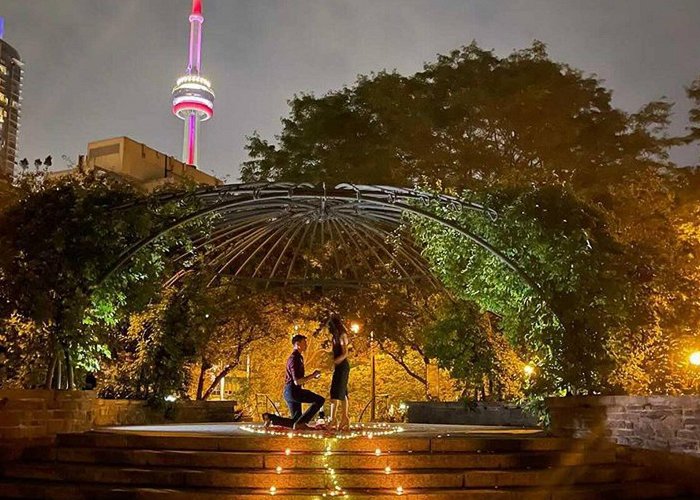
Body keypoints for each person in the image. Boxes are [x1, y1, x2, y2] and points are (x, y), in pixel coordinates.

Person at [263, 334, 325, 430]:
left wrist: (312, 377)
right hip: (294, 391)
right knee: (320, 400)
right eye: (304, 342)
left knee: (295, 421)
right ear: (297, 344)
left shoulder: (299, 357)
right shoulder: (294, 359)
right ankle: (302, 422)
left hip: (290, 392)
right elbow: (297, 381)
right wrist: (313, 375)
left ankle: (270, 418)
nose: (306, 345)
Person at [328, 314, 350, 431]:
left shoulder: (342, 336)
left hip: (342, 366)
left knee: (336, 392)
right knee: (342, 392)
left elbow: (345, 353)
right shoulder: (335, 337)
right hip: (338, 366)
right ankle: (344, 418)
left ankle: (334, 419)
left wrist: (336, 361)